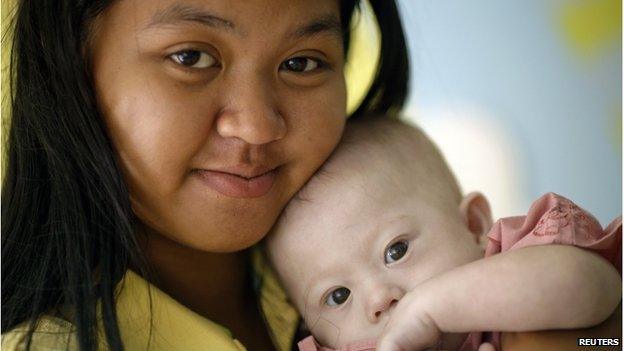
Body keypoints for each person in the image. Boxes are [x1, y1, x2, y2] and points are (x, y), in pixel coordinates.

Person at [1, 1, 409, 350]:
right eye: (191, 57)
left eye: (300, 63)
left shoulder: (399, 278)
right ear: (69, 63)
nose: (255, 127)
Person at [265, 118, 622, 351]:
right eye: (338, 295)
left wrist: (430, 310)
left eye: (396, 250)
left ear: (474, 226)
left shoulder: (521, 263)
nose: (378, 299)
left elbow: (597, 287)